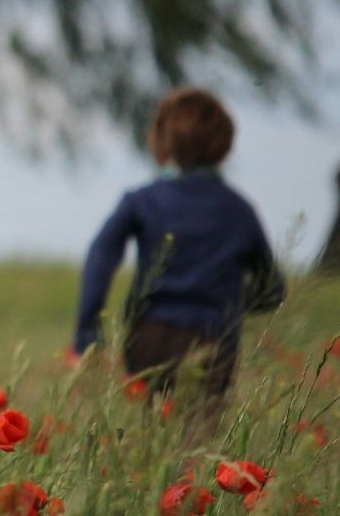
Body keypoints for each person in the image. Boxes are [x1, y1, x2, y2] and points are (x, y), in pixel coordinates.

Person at [70, 86, 285, 409]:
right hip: (213, 340)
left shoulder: (142, 201)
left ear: (161, 141)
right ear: (223, 146)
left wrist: (88, 334)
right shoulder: (239, 210)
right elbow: (272, 290)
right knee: (199, 440)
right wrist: (228, 304)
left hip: (149, 337)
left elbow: (101, 256)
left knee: (153, 433)